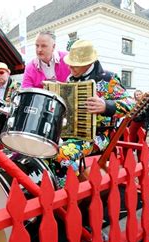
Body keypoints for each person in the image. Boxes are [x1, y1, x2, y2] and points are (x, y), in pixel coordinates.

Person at [53, 40, 134, 187]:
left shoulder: (108, 79)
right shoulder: (69, 79)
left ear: (89, 63)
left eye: (75, 64)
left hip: (98, 135)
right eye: (70, 62)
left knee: (62, 154)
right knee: (45, 148)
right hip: (70, 133)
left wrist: (106, 106)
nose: (70, 66)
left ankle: (76, 190)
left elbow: (131, 104)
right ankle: (65, 186)